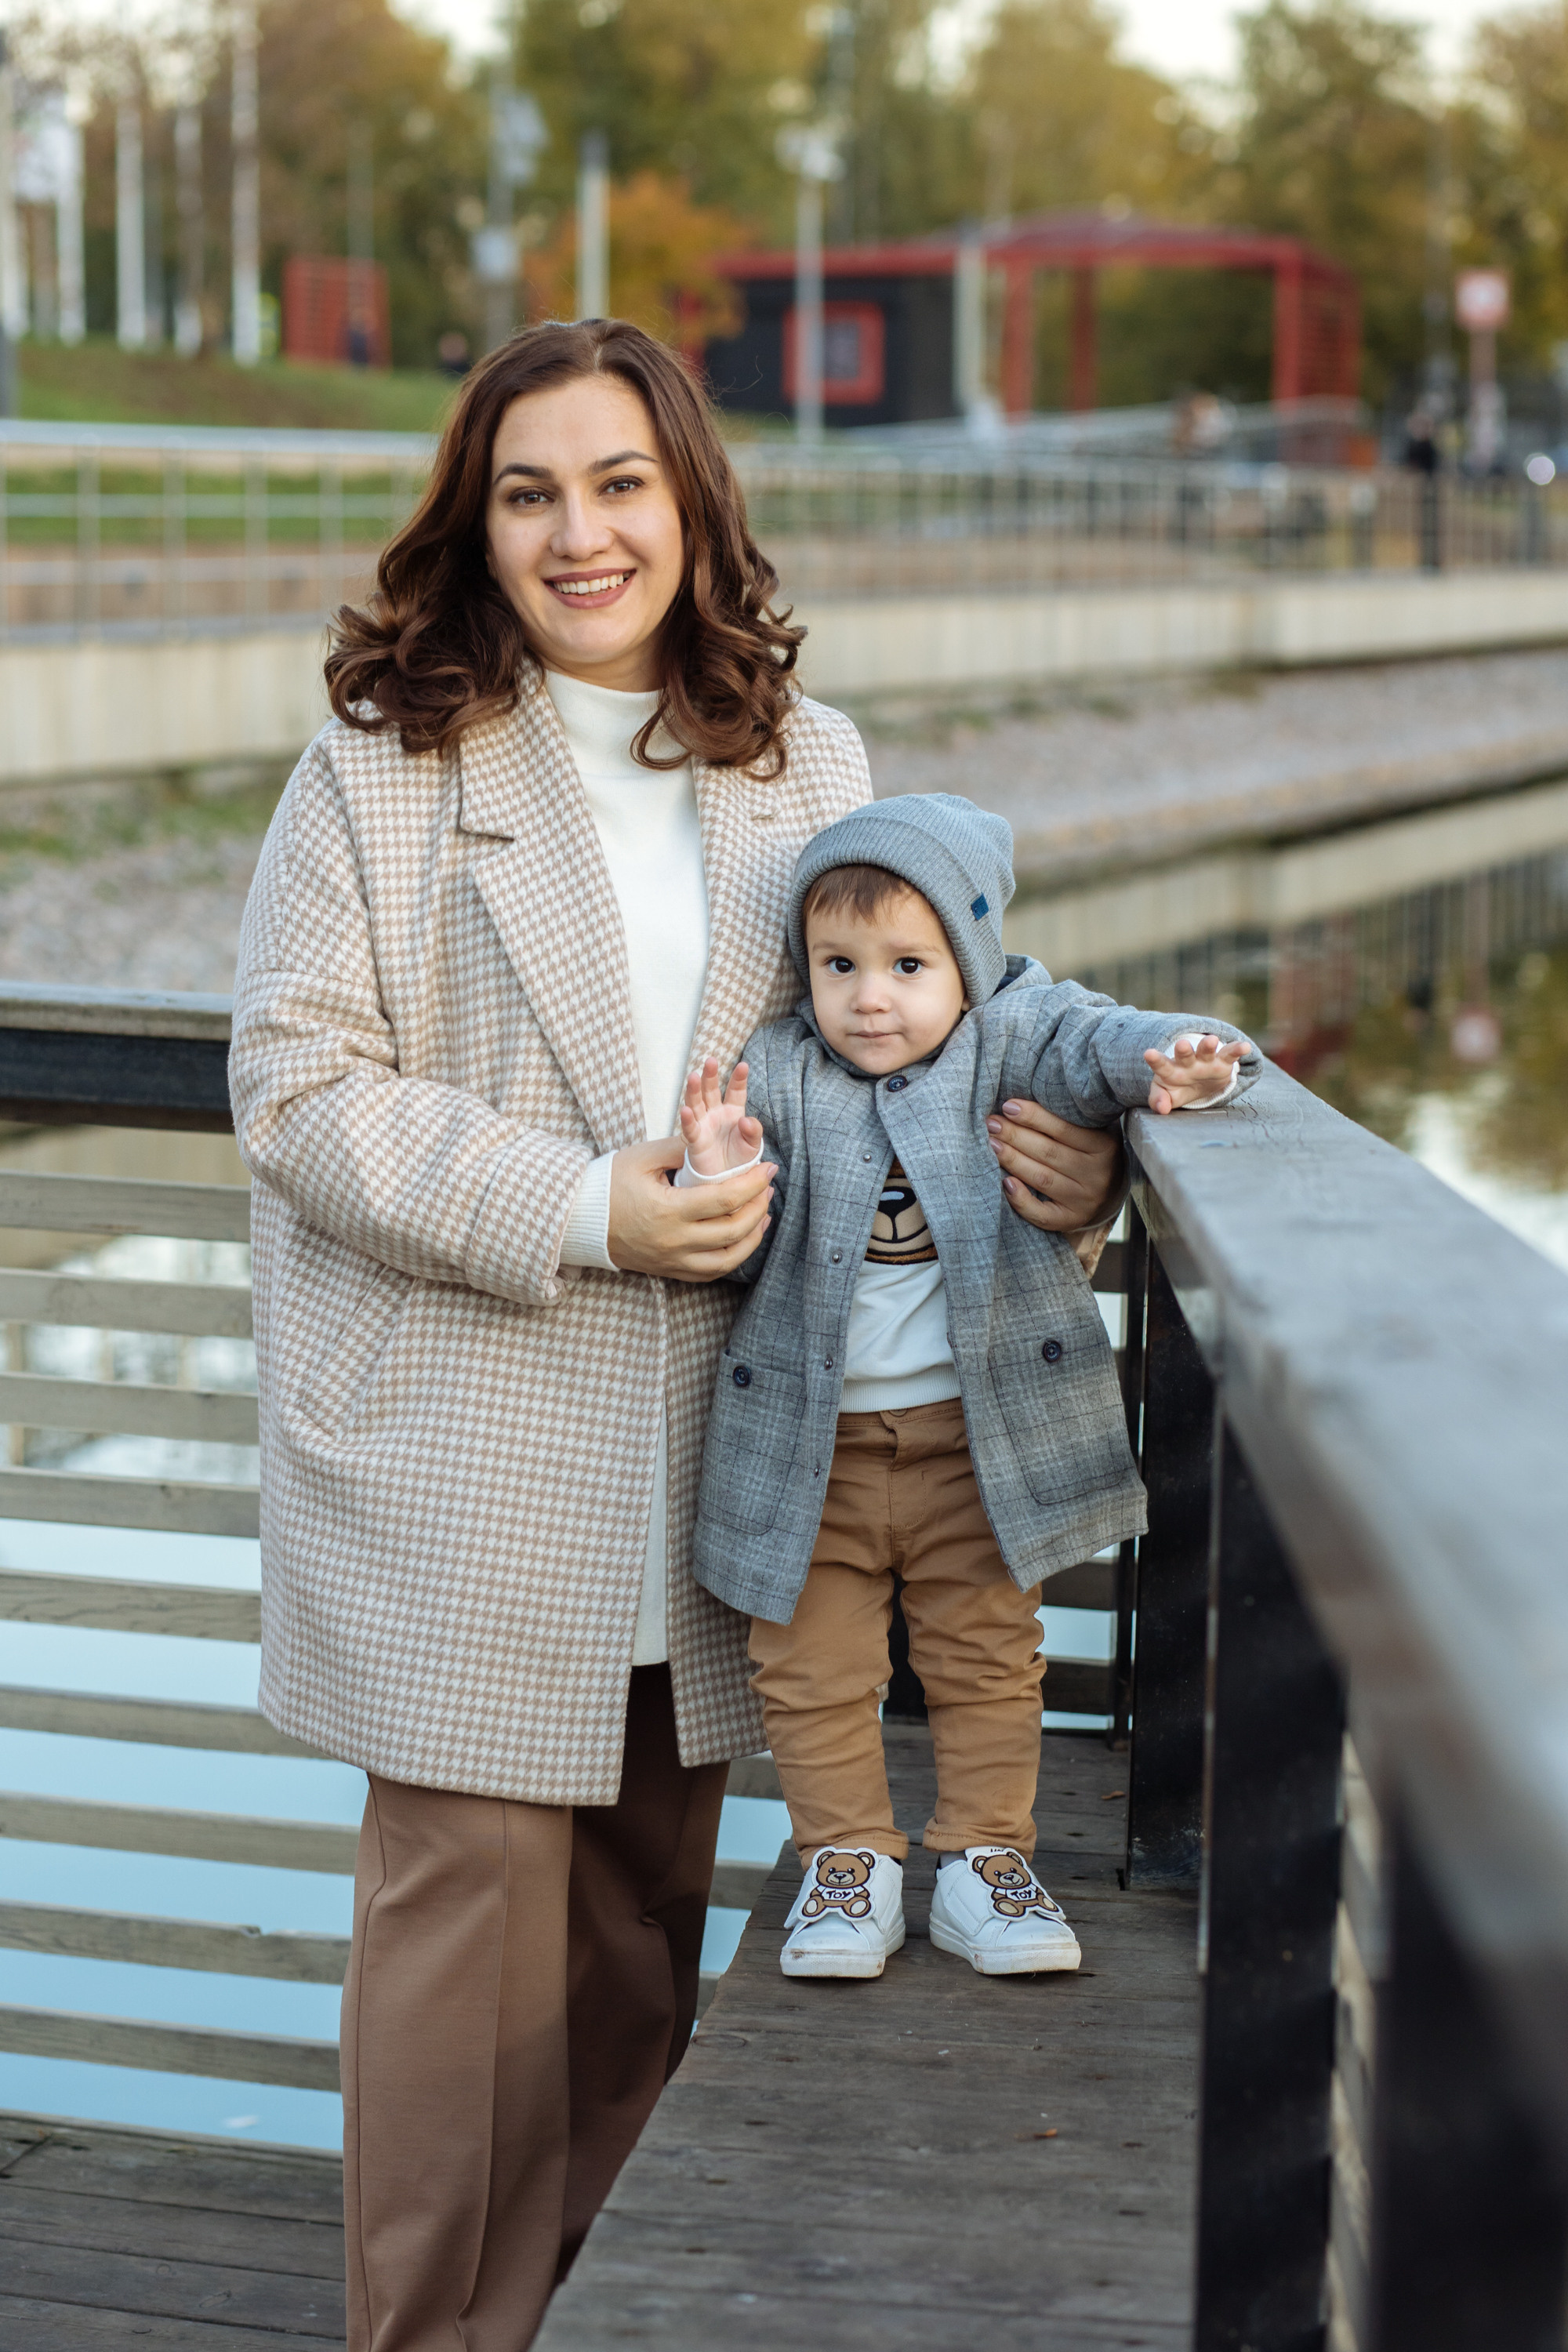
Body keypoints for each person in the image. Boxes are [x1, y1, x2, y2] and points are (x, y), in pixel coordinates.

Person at [227, 320, 1127, 2350]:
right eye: (529, 491)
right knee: (463, 1968)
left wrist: (1064, 1165)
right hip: (468, 1447)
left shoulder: (805, 763)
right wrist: (582, 1205)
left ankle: (589, 2319)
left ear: (691, 501)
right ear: (475, 521)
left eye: (620, 482)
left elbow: (927, 1038)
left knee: (639, 1959)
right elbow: (292, 1087)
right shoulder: (378, 763)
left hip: (735, 1449)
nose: (581, 533)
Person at [677, 793, 1258, 1980]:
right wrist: (714, 1173)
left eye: (907, 965)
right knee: (810, 1669)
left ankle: (986, 1861)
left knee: (988, 1653)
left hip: (975, 1442)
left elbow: (1100, 1040)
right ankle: (847, 1864)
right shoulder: (780, 1068)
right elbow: (732, 1242)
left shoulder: (1010, 1033)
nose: (869, 998)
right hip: (810, 1453)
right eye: (839, 965)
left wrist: (1183, 1061)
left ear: (969, 963)